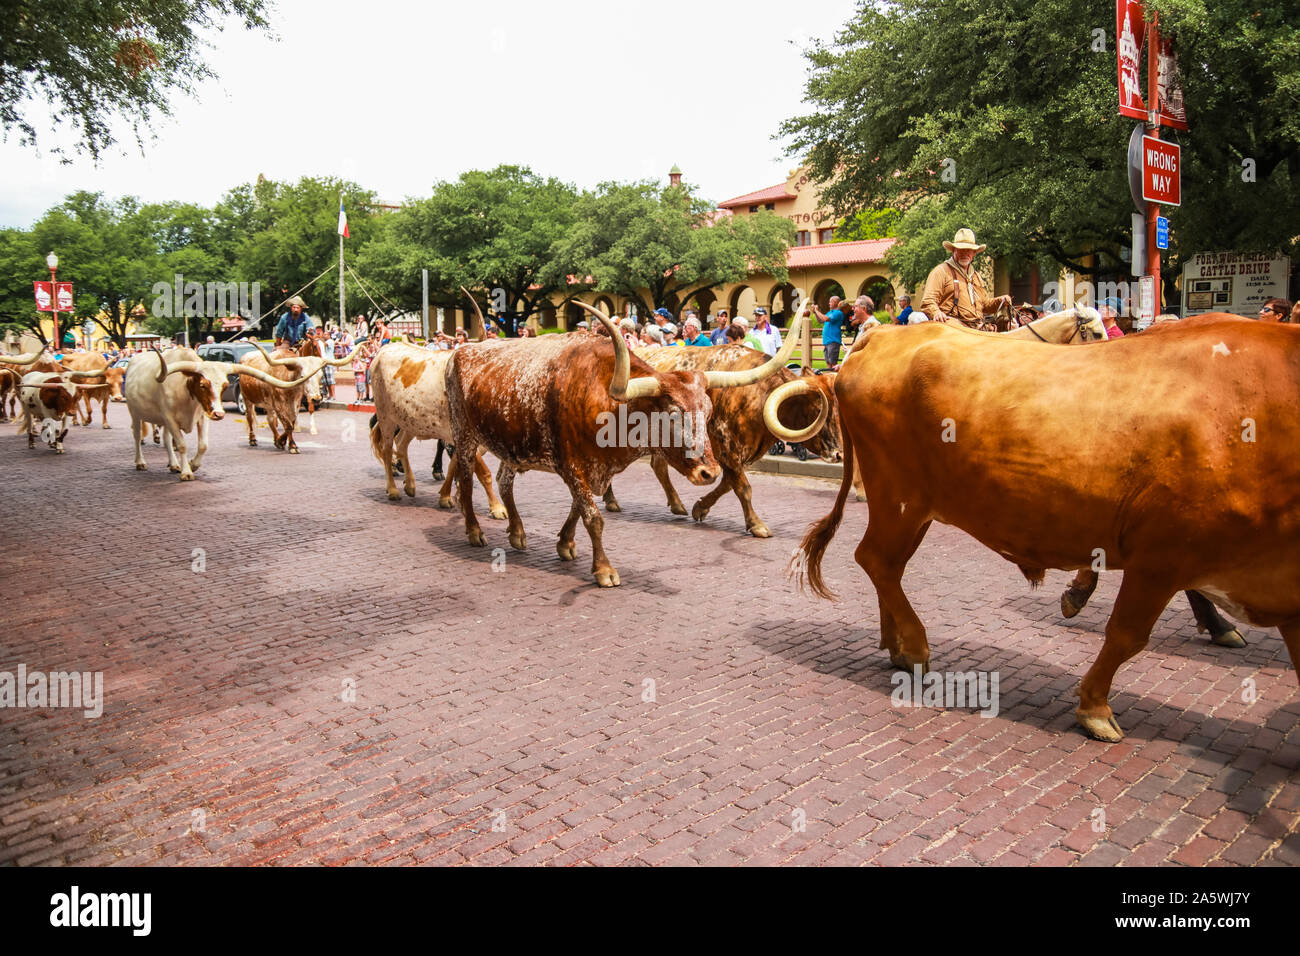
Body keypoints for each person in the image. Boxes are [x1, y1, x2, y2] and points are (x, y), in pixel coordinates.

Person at [920, 229, 1012, 329]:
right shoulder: (941, 271)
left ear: (974, 253)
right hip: (952, 328)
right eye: (961, 249)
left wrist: (1000, 301)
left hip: (977, 327)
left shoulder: (976, 276)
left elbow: (984, 304)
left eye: (968, 250)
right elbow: (928, 301)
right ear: (953, 250)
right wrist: (936, 312)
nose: (964, 253)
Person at [812, 295, 847, 368]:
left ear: (835, 302)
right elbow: (820, 320)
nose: (829, 303)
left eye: (830, 302)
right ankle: (829, 378)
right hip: (827, 341)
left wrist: (816, 310)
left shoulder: (838, 313)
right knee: (828, 364)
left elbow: (825, 319)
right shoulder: (830, 312)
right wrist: (815, 313)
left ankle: (835, 378)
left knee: (833, 364)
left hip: (833, 341)